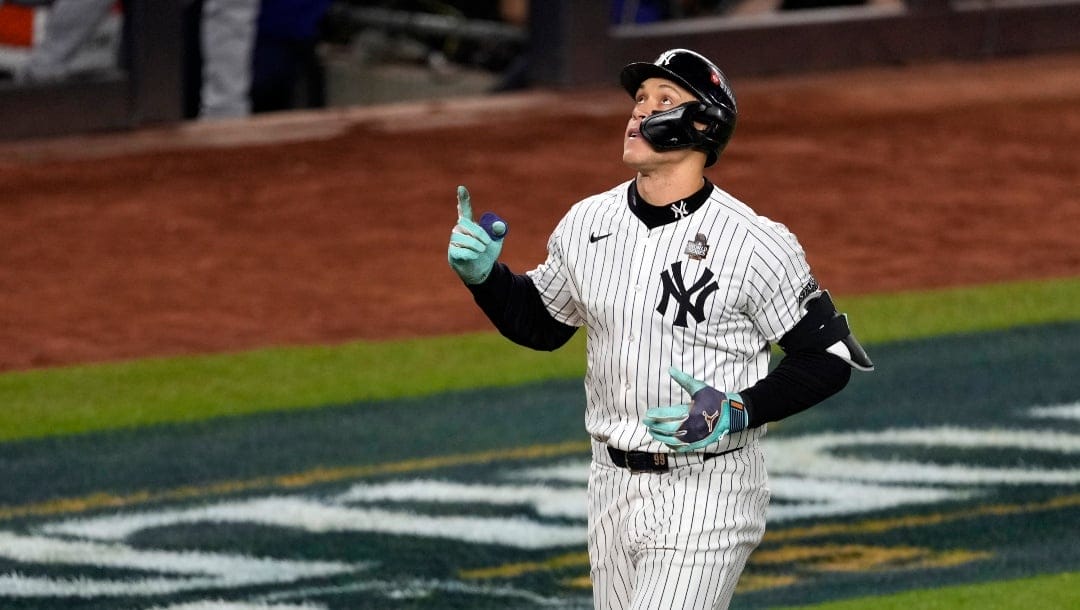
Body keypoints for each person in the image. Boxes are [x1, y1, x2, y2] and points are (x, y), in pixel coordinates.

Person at [447, 48, 873, 609]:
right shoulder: (588, 222)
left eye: (663, 101)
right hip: (610, 485)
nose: (639, 112)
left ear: (703, 126)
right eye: (639, 99)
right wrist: (487, 279)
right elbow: (543, 324)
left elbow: (829, 357)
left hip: (709, 490)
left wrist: (735, 411)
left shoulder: (753, 242)